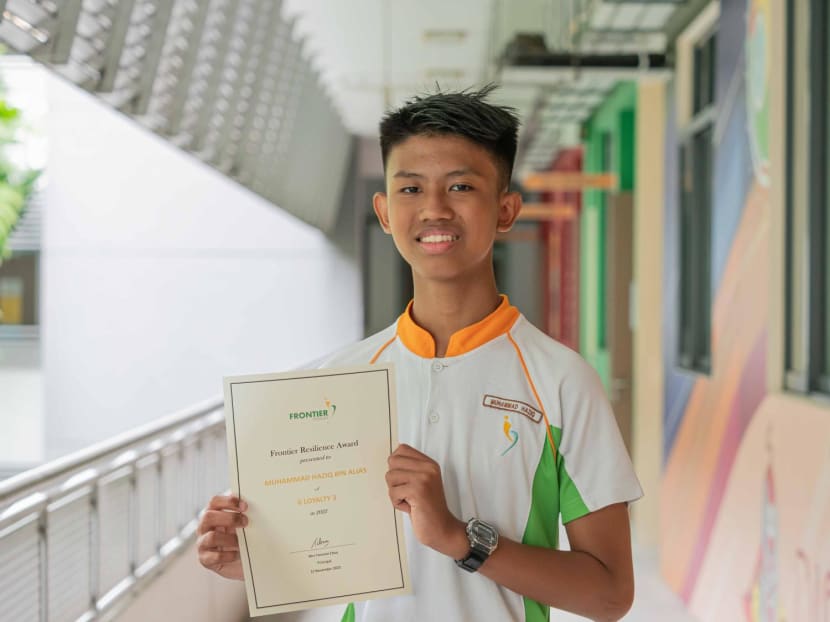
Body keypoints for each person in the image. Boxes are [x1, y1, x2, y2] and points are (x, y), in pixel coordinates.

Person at [197, 85, 642, 622]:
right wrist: (256, 556)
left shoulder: (562, 382)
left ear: (505, 210)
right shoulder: (334, 381)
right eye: (410, 188)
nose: (434, 209)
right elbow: (323, 555)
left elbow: (609, 595)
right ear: (385, 212)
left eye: (461, 186)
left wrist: (460, 538)